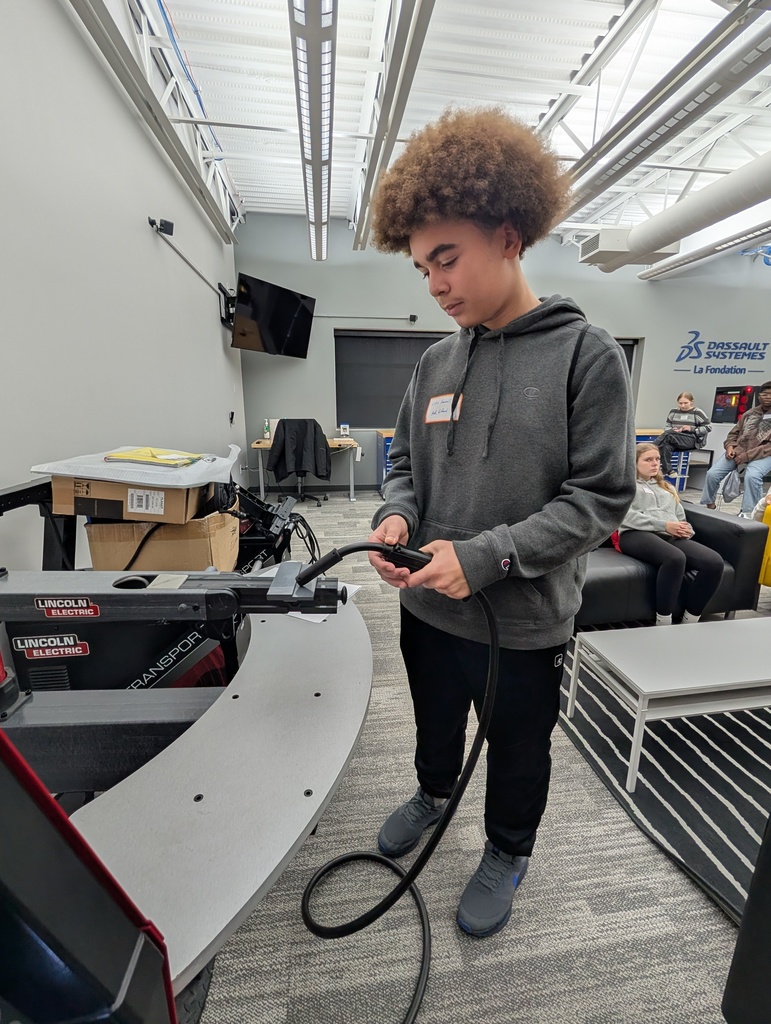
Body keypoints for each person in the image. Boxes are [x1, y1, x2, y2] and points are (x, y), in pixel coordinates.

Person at [365, 107, 636, 939]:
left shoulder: (585, 355)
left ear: (510, 236)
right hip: (424, 604)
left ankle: (506, 849)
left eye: (446, 257)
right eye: (421, 268)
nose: (436, 283)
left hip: (521, 622)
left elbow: (599, 499)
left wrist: (484, 558)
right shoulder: (435, 359)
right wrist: (393, 512)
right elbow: (404, 462)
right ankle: (433, 790)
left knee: (517, 748)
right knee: (434, 718)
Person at [618, 444, 724, 626]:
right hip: (635, 533)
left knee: (714, 562)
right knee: (675, 559)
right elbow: (624, 516)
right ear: (634, 463)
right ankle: (663, 621)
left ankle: (690, 620)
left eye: (657, 459)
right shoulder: (626, 485)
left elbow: (680, 516)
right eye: (648, 460)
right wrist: (664, 525)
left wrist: (686, 529)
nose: (655, 464)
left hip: (668, 534)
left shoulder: (667, 487)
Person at [701, 382, 771, 517]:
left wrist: (747, 456)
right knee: (712, 474)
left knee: (752, 476)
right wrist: (730, 447)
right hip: (738, 451)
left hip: (764, 454)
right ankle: (709, 504)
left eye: (770, 394)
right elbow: (733, 434)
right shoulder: (750, 413)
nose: (767, 397)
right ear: (759, 396)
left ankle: (749, 513)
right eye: (764, 394)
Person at [654, 392, 710, 475]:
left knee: (669, 435)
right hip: (674, 437)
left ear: (691, 402)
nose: (683, 406)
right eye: (680, 403)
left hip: (691, 439)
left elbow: (708, 427)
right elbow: (667, 427)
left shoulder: (697, 412)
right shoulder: (673, 412)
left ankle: (648, 449)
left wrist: (692, 429)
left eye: (685, 403)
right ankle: (669, 471)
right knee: (665, 446)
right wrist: (673, 430)